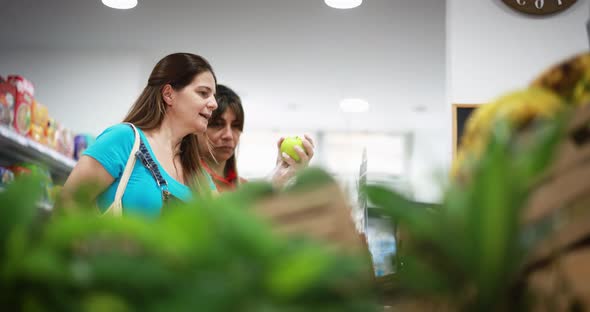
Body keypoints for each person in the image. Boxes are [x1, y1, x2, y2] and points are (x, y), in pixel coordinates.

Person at [63, 53, 218, 217]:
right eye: (203, 93)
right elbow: (66, 206)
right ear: (168, 94)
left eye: (214, 96)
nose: (214, 104)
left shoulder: (200, 177)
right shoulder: (123, 140)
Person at [198, 84, 314, 192]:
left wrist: (281, 175)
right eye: (217, 124)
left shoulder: (245, 188)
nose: (228, 135)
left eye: (236, 126)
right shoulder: (186, 183)